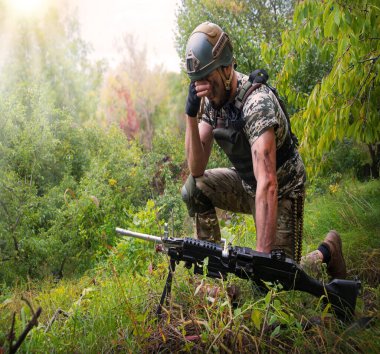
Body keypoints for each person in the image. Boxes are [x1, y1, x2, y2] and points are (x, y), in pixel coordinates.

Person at [181, 21, 346, 279]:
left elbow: (268, 183)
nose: (203, 88)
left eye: (207, 80)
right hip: (248, 184)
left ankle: (327, 250)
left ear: (226, 69)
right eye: (197, 82)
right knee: (194, 187)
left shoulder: (256, 103)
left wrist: (259, 264)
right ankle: (213, 274)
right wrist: (191, 114)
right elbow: (196, 168)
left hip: (281, 191)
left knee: (279, 277)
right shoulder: (211, 100)